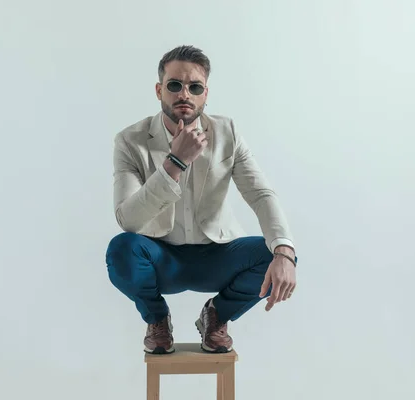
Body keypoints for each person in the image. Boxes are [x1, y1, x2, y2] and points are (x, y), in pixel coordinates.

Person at [105, 45, 297, 354]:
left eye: (194, 87)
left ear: (205, 93)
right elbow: (128, 219)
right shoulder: (130, 140)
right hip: (161, 258)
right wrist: (174, 164)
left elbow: (260, 194)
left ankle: (216, 316)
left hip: (216, 256)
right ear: (159, 90)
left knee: (276, 254)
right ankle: (157, 319)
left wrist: (284, 251)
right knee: (121, 250)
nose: (184, 94)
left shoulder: (227, 133)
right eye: (174, 85)